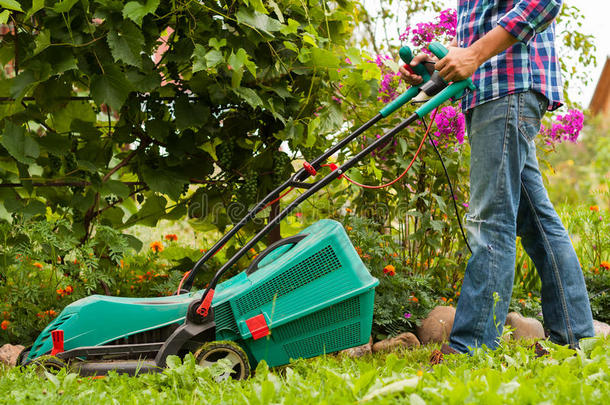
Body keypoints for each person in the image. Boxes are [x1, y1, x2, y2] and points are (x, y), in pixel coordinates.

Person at [399, 0, 595, 358]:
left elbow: (544, 3)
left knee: (489, 221)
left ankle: (471, 346)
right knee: (537, 222)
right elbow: (484, 28)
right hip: (492, 93)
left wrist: (473, 54)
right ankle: (576, 336)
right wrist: (439, 70)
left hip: (508, 90)